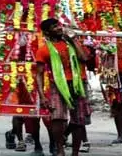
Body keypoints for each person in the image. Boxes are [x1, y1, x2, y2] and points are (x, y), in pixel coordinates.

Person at [35, 18, 90, 156]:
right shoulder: (43, 50)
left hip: (78, 84)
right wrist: (42, 96)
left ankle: (75, 153)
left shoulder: (72, 44)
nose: (59, 28)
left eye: (59, 25)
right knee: (57, 118)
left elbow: (84, 58)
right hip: (58, 86)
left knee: (78, 120)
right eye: (55, 27)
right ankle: (60, 150)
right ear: (47, 32)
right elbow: (39, 74)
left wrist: (74, 40)